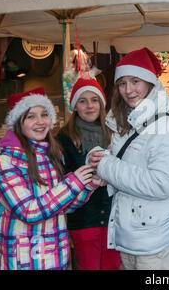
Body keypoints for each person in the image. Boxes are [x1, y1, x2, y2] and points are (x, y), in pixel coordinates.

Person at [87, 48, 169, 270]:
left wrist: (107, 166)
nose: (128, 90)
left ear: (150, 83)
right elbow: (129, 170)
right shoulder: (128, 124)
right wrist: (105, 173)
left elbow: (160, 184)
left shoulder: (166, 127)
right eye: (122, 83)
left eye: (135, 81)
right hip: (133, 237)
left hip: (157, 242)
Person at [0, 87, 102, 270]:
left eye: (44, 114)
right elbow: (29, 212)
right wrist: (73, 183)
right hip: (23, 260)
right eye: (31, 116)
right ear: (18, 122)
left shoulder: (52, 154)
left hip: (56, 257)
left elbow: (62, 206)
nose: (40, 122)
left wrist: (88, 185)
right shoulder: (4, 161)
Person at [56, 78, 121, 270]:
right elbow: (61, 181)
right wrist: (88, 176)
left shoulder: (114, 132)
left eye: (94, 100)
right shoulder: (64, 138)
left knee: (112, 266)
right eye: (82, 101)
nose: (89, 106)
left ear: (101, 103)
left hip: (113, 218)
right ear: (74, 106)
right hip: (83, 219)